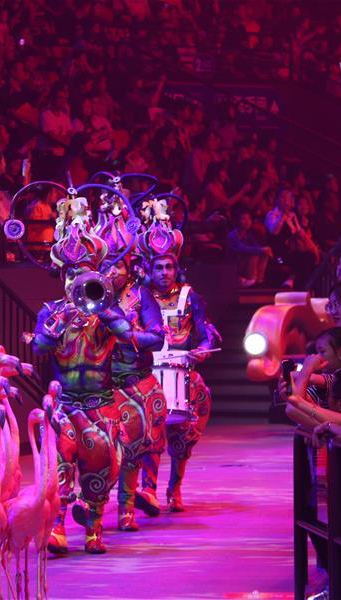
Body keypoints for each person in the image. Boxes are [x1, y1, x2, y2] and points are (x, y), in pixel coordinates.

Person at [34, 201, 132, 554]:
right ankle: (57, 526)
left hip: (99, 405)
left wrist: (103, 310)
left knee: (99, 470)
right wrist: (59, 323)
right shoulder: (51, 311)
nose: (75, 281)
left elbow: (127, 335)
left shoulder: (107, 312)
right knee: (60, 465)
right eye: (70, 274)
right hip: (64, 405)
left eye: (83, 274)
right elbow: (40, 347)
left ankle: (94, 531)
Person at [139, 206, 219, 513]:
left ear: (176, 268)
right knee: (150, 432)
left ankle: (174, 487)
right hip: (148, 374)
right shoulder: (139, 297)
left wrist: (203, 349)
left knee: (183, 437)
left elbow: (207, 333)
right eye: (158, 267)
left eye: (169, 267)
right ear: (150, 269)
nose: (164, 273)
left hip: (182, 370)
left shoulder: (189, 296)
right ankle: (147, 490)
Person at [97, 203, 166, 531]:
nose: (111, 272)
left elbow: (158, 338)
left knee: (132, 446)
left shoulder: (141, 295)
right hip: (98, 384)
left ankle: (127, 508)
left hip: (134, 381)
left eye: (118, 265)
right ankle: (87, 506)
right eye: (105, 266)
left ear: (130, 267)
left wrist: (128, 335)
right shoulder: (90, 296)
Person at [226, 208, 272, 287]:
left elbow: (256, 246)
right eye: (243, 219)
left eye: (249, 219)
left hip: (244, 261)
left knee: (264, 254)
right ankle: (251, 279)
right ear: (237, 221)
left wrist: (265, 250)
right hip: (235, 263)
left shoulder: (248, 234)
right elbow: (242, 248)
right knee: (254, 254)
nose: (247, 222)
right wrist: (261, 250)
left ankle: (259, 280)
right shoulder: (232, 235)